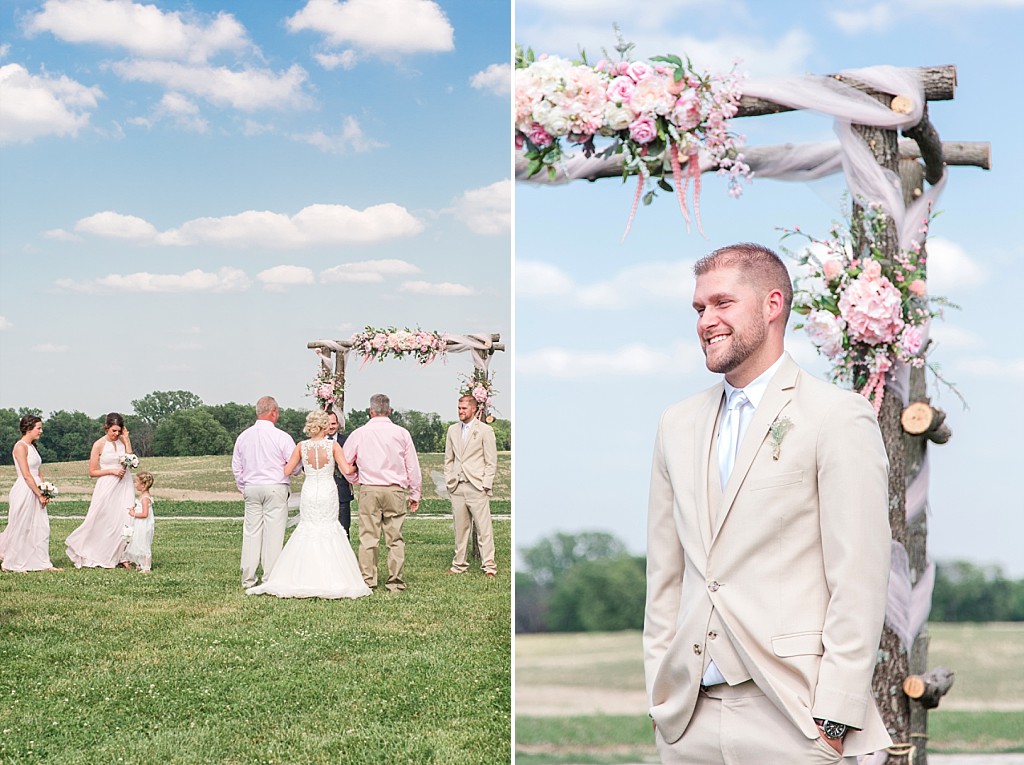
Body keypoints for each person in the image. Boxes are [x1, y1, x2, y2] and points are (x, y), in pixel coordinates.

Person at [644, 243, 893, 764]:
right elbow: (666, 576)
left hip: (794, 719)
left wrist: (836, 715)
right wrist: (658, 695)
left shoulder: (836, 417)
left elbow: (860, 576)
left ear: (772, 305)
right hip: (688, 723)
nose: (705, 321)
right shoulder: (677, 423)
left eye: (721, 304)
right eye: (698, 309)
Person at [247, 410, 371, 600]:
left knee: (308, 527)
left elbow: (287, 470)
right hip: (328, 491)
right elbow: (346, 470)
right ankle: (331, 577)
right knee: (329, 528)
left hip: (309, 491)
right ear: (323, 426)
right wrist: (358, 465)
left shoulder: (301, 447)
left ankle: (302, 575)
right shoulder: (333, 446)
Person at [342, 393, 421, 593]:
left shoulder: (359, 433)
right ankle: (395, 582)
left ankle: (368, 579)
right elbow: (412, 465)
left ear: (370, 411)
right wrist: (414, 492)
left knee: (368, 537)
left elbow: (345, 462)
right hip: (394, 489)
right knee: (395, 538)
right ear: (390, 411)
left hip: (369, 489)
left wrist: (356, 480)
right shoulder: (402, 433)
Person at [233, 396, 297, 589]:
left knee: (251, 532)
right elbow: (294, 465)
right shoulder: (282, 437)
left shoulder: (243, 436)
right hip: (275, 486)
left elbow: (237, 466)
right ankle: (270, 576)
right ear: (274, 412)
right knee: (274, 533)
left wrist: (243, 486)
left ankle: (248, 577)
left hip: (252, 486)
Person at [66, 412, 136, 569]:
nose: (116, 434)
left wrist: (127, 440)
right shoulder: (99, 444)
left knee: (126, 518)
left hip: (124, 484)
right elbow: (92, 472)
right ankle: (93, 551)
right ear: (106, 428)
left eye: (119, 431)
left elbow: (131, 461)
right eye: (113, 431)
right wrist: (112, 471)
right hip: (107, 483)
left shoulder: (122, 441)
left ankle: (123, 556)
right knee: (102, 519)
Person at [443, 395, 498, 577]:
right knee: (460, 529)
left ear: (473, 409)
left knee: (484, 529)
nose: (460, 411)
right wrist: (450, 479)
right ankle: (459, 564)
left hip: (477, 486)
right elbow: (448, 459)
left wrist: (485, 485)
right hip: (458, 486)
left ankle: (489, 566)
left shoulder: (485, 430)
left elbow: (491, 461)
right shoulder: (452, 430)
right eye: (459, 408)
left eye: (464, 408)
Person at [0, 415, 61, 572]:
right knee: (21, 526)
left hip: (36, 488)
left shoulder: (33, 447)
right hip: (25, 489)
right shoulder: (20, 447)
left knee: (41, 527)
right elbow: (26, 474)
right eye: (38, 428)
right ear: (28, 428)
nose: (41, 431)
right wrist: (37, 494)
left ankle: (42, 562)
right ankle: (12, 563)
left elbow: (38, 472)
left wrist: (45, 491)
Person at [326, 411, 353, 539]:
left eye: (333, 423)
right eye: (327, 423)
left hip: (342, 492)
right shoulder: (315, 442)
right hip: (322, 491)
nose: (331, 427)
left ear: (338, 424)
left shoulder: (347, 441)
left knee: (344, 528)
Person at [123, 471, 155, 573]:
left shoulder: (145, 498)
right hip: (140, 524)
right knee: (138, 542)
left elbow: (145, 514)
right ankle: (140, 563)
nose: (135, 484)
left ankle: (146, 567)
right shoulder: (142, 496)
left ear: (143, 484)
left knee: (144, 544)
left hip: (144, 525)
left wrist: (134, 513)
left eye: (136, 482)